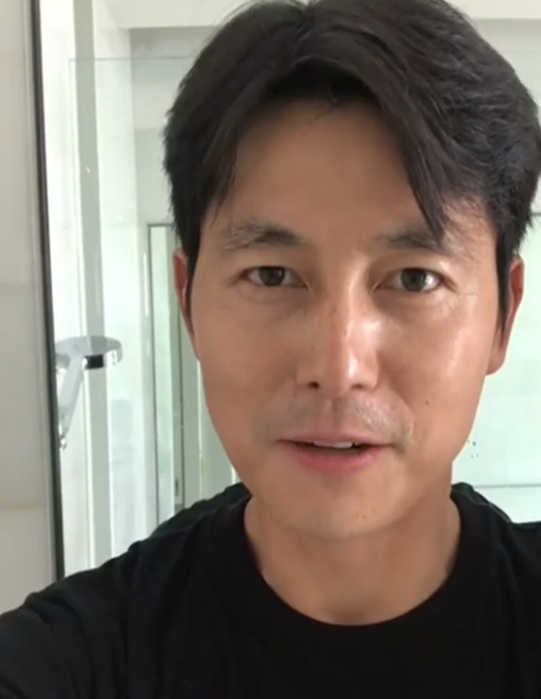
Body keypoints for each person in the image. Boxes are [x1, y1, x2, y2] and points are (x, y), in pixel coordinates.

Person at [2, 0, 541, 696]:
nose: (338, 367)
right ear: (187, 301)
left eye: (414, 278)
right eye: (272, 275)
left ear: (502, 316)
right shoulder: (80, 657)